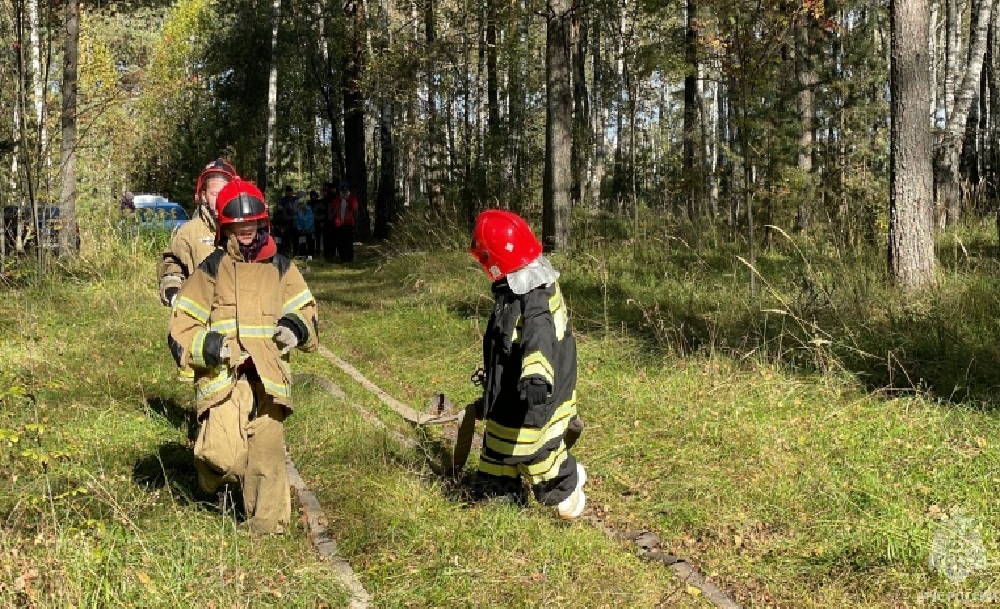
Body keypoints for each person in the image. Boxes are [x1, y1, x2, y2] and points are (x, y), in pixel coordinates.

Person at [168, 178, 319, 535]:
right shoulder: (211, 270)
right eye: (238, 227)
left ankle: (267, 531)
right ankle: (212, 482)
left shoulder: (282, 268)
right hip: (225, 377)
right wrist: (211, 347)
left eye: (251, 225)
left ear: (263, 223)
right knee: (220, 456)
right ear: (225, 229)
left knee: (266, 458)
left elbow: (309, 313)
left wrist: (295, 329)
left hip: (269, 379)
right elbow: (181, 328)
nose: (246, 233)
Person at [468, 209, 586, 520]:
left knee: (535, 451)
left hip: (534, 392)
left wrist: (535, 375)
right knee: (496, 446)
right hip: (509, 392)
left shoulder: (534, 297)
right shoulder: (514, 288)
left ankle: (567, 487)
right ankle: (501, 491)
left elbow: (539, 336)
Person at [157, 158, 238, 380]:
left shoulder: (243, 228)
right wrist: (173, 291)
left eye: (225, 192)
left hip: (238, 319)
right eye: (214, 194)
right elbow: (172, 264)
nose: (220, 199)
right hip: (202, 321)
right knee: (207, 380)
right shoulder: (189, 233)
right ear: (202, 196)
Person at [332, 180, 359, 262]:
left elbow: (355, 209)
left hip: (348, 223)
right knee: (340, 241)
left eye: (345, 190)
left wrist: (347, 201)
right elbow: (334, 210)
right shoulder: (337, 199)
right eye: (342, 190)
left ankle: (349, 258)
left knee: (348, 241)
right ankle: (342, 257)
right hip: (339, 224)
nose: (343, 192)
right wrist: (340, 201)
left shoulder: (352, 198)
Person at [318, 182, 336, 262]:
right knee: (326, 238)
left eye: (326, 188)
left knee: (331, 238)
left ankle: (331, 254)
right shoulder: (324, 200)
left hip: (331, 221)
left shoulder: (332, 198)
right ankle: (327, 254)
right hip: (326, 221)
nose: (324, 190)